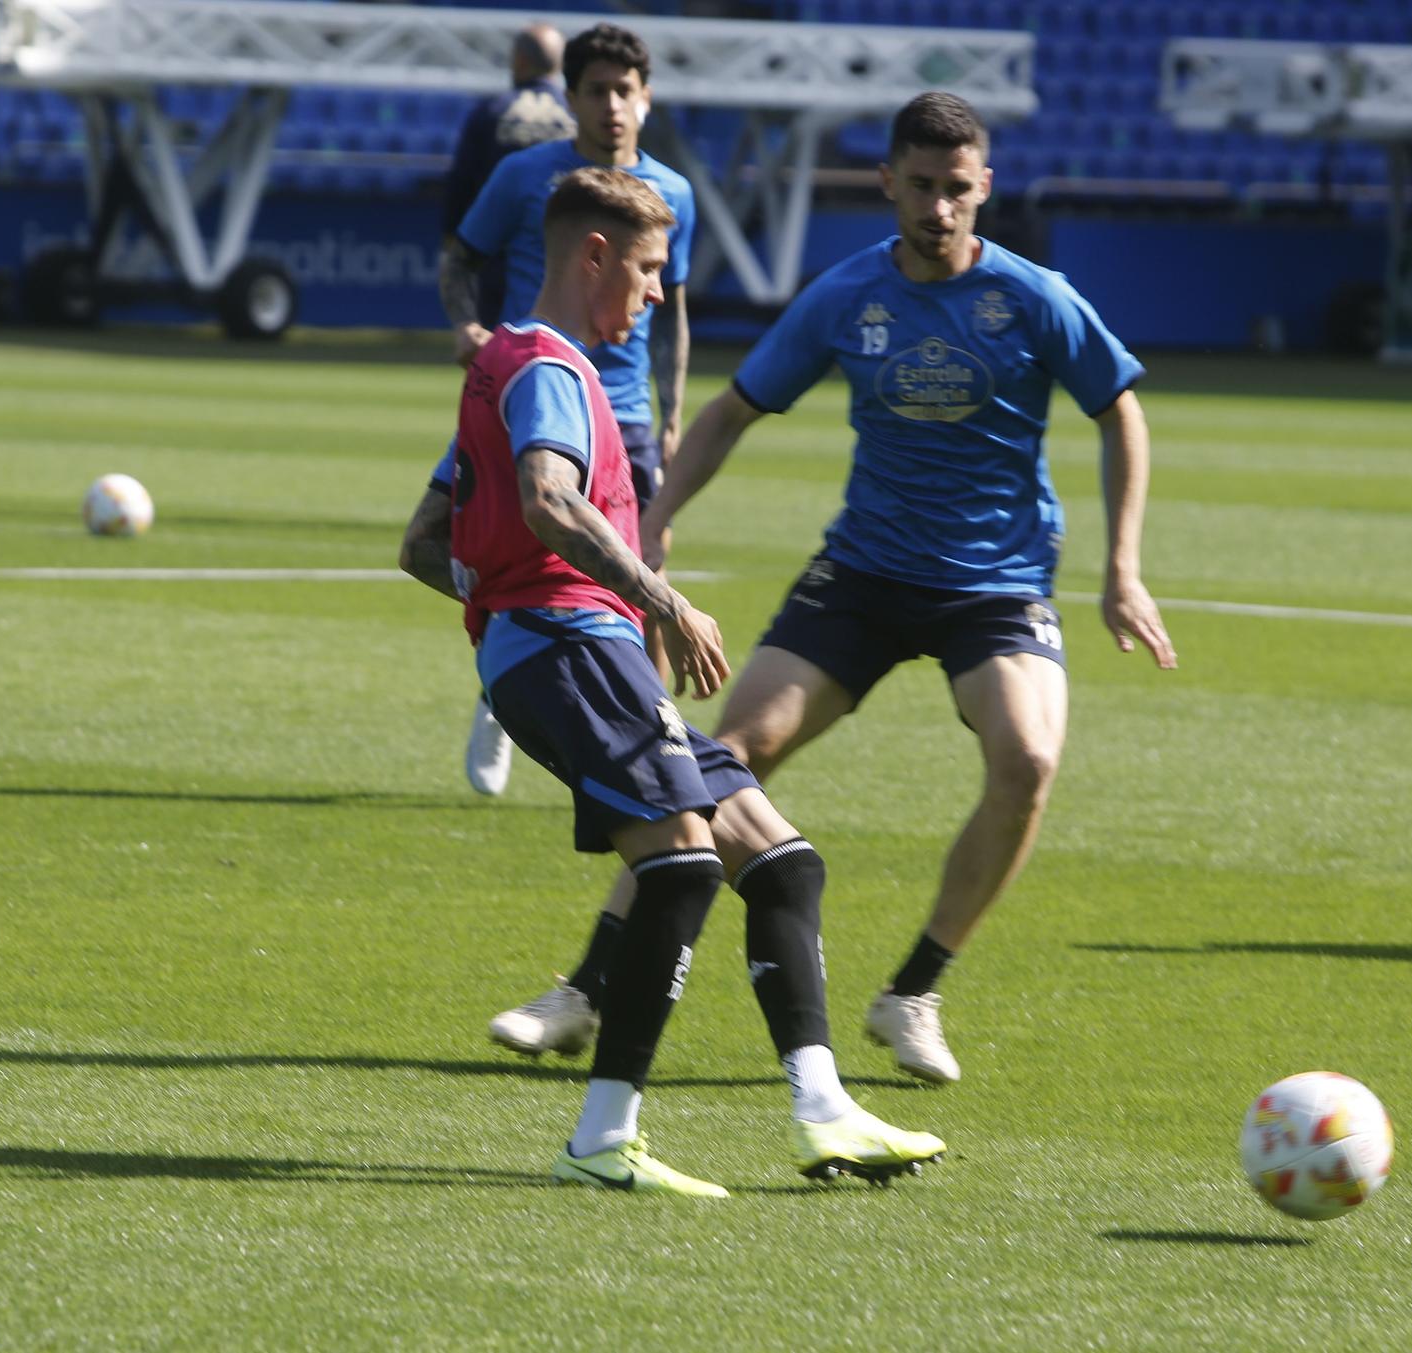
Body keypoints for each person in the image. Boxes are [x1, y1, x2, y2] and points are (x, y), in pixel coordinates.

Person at [487, 93, 1177, 1086]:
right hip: (860, 577)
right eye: (920, 187)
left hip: (995, 586)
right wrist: (649, 530)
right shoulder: (846, 295)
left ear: (982, 188)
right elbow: (732, 411)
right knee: (723, 756)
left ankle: (913, 991)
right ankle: (586, 989)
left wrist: (1121, 570)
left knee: (1026, 758)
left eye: (956, 190)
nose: (938, 209)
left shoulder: (1033, 298)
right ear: (887, 183)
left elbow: (1120, 412)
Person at [399, 167, 944, 1196]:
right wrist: (653, 602)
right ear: (591, 256)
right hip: (571, 645)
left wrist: (500, 596)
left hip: (563, 647)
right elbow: (551, 502)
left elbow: (425, 544)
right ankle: (603, 1139)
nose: (656, 293)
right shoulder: (552, 369)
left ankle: (823, 1111)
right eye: (647, 269)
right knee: (682, 866)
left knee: (776, 861)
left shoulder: (509, 369)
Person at [439, 22, 695, 800]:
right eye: (597, 90)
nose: (613, 106)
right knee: (507, 545)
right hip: (532, 392)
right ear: (571, 98)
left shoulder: (669, 193)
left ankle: (656, 737)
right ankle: (511, 676)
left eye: (627, 91)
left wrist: (674, 410)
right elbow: (461, 257)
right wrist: (465, 327)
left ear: (646, 100)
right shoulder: (528, 177)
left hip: (625, 409)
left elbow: (673, 307)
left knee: (641, 566)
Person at [439, 22, 575, 330]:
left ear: (520, 61)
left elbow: (459, 189)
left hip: (499, 256)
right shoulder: (580, 112)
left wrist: (452, 245)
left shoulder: (491, 112)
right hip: (571, 254)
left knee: (501, 351)